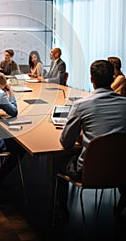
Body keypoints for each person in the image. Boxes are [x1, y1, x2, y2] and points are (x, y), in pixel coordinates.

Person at [54, 60, 126, 221]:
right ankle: (120, 207)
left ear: (91, 79)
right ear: (113, 78)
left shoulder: (81, 105)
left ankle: (61, 211)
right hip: (122, 169)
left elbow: (66, 143)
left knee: (58, 160)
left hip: (88, 172)